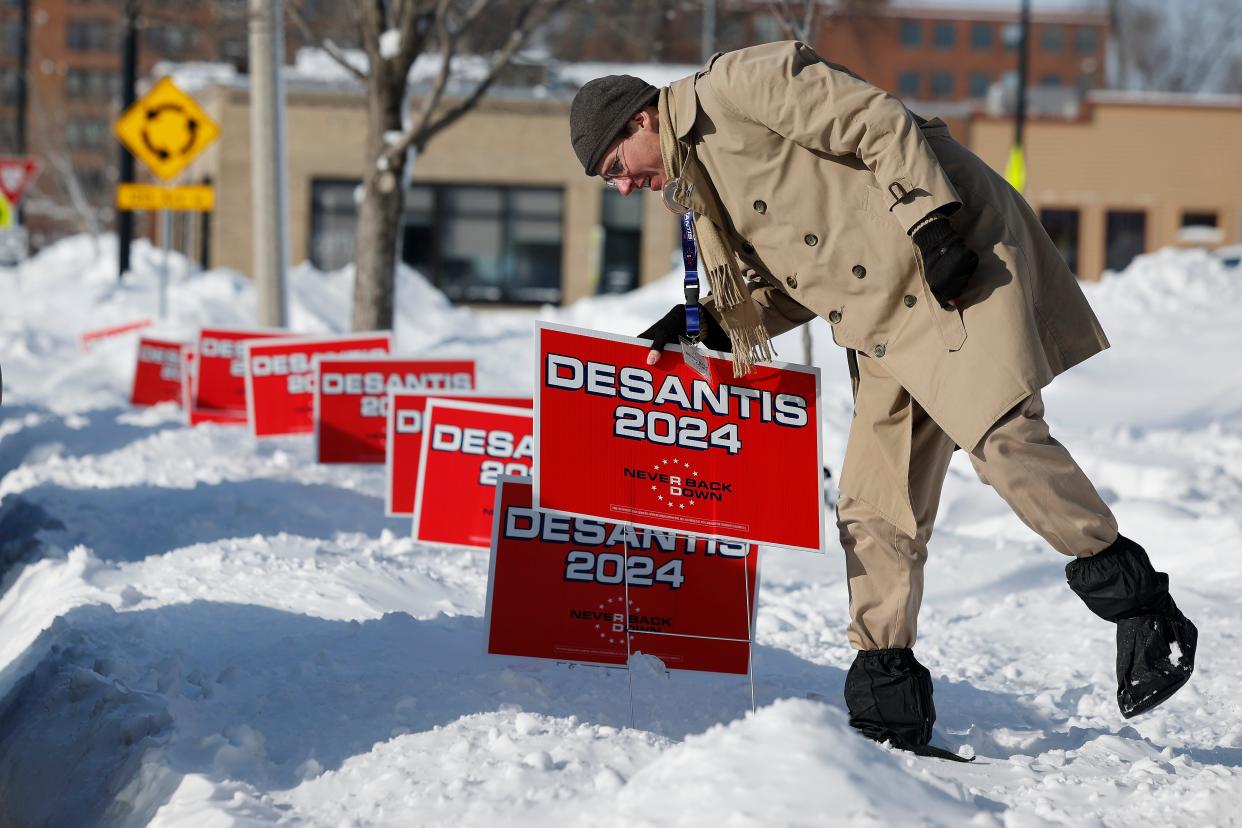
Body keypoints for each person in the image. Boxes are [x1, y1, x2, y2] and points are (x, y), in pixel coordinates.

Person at [567, 41, 1197, 758]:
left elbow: (873, 120)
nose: (622, 186)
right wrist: (704, 322)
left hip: (950, 265)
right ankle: (888, 712)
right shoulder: (696, 190)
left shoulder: (739, 86)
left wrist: (931, 225)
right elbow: (792, 282)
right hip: (882, 323)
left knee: (1002, 442)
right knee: (872, 509)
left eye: (616, 168)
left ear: (640, 121)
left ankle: (1146, 613)